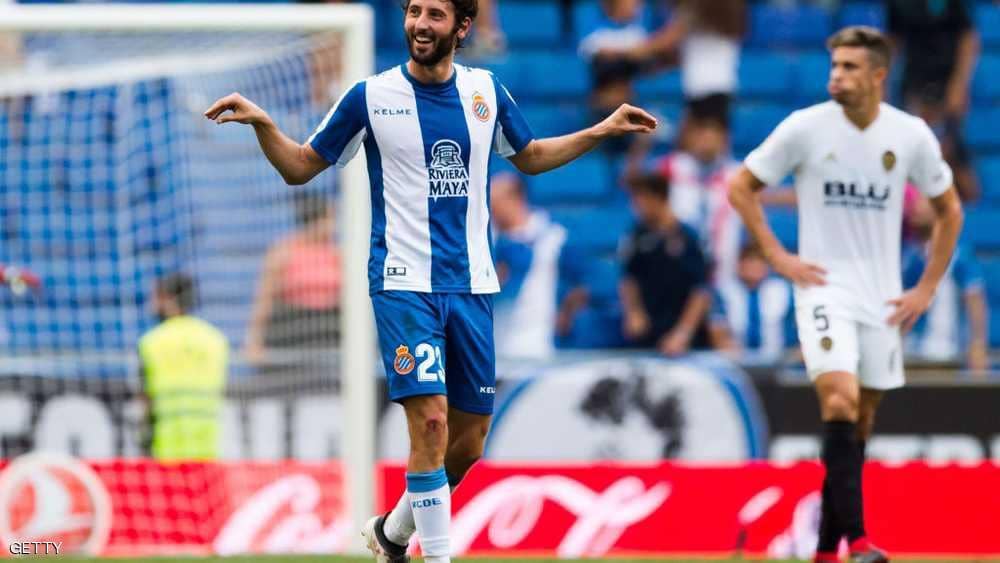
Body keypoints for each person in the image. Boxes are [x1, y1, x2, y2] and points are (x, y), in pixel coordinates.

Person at [203, 0, 656, 560]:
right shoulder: (369, 97)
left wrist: (603, 129)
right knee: (432, 423)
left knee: (467, 444)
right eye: (414, 11)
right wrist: (264, 124)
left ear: (463, 26)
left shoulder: (485, 91)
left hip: (471, 286)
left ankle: (392, 534)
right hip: (403, 283)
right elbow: (300, 166)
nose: (419, 23)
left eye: (435, 14)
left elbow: (532, 156)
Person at [727, 26, 964, 563]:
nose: (837, 76)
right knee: (839, 399)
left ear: (879, 75)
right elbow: (741, 187)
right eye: (834, 66)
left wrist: (926, 288)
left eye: (849, 67)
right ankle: (858, 541)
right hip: (823, 287)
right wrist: (777, 256)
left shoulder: (909, 135)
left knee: (860, 422)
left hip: (882, 296)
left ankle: (825, 550)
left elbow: (949, 209)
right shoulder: (805, 127)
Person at [887, 0, 980, 201]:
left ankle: (972, 215)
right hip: (914, 86)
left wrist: (959, 85)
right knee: (912, 157)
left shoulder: (955, 5)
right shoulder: (898, 4)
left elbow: (968, 38)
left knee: (953, 155)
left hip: (947, 87)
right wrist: (883, 84)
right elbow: (893, 41)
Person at [490, 172, 589, 359]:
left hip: (539, 344)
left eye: (495, 203)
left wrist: (566, 314)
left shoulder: (556, 236)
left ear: (515, 199)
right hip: (494, 345)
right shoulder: (485, 242)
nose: (490, 210)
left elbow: (580, 284)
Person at [245, 192, 341, 376]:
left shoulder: (337, 255)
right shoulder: (283, 252)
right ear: (316, 220)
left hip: (329, 329)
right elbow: (265, 299)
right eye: (330, 219)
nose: (333, 225)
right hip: (291, 327)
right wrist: (254, 341)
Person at [138, 274, 230, 461]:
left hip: (166, 449)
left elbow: (146, 399)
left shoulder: (151, 342)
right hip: (207, 448)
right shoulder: (215, 339)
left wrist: (144, 441)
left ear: (168, 299)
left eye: (156, 298)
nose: (152, 305)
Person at [620, 172, 711, 355]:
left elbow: (701, 291)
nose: (635, 207)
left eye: (639, 200)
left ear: (658, 198)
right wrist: (634, 312)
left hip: (685, 339)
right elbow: (629, 278)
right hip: (647, 333)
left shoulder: (689, 238)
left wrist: (683, 333)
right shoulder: (636, 235)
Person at [903, 195, 989, 372]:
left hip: (944, 354)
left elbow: (974, 299)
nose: (915, 207)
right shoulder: (909, 254)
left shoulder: (958, 255)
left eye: (923, 202)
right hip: (909, 353)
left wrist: (977, 345)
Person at [708, 242, 795, 361]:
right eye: (749, 262)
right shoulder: (724, 291)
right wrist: (728, 347)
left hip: (782, 360)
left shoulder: (784, 290)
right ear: (739, 265)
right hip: (736, 360)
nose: (753, 267)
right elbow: (718, 329)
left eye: (759, 262)